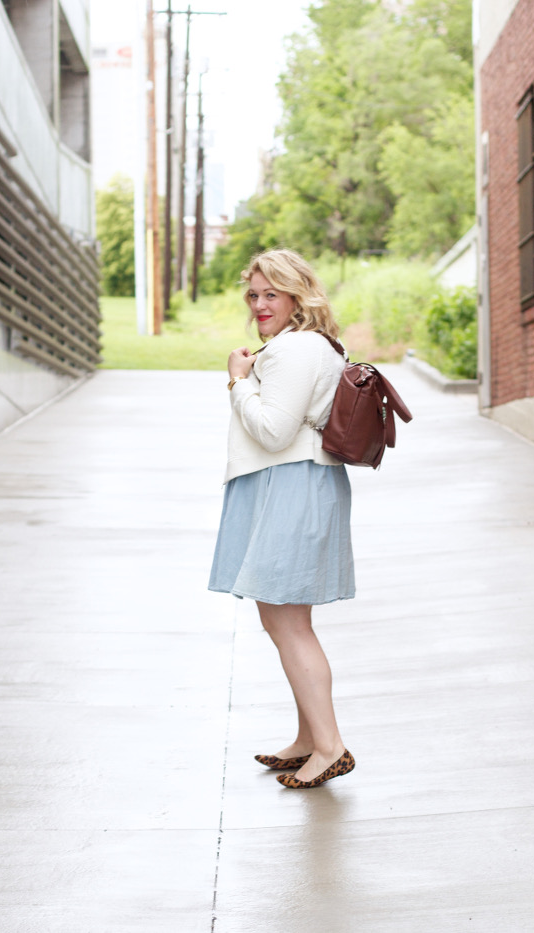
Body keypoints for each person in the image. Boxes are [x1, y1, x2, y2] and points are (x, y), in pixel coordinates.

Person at [208, 248, 355, 789]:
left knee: (288, 625)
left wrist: (238, 381)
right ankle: (309, 738)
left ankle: (330, 747)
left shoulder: (295, 349)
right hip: (293, 485)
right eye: (253, 294)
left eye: (272, 294)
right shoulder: (308, 345)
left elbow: (273, 430)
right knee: (285, 622)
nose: (259, 304)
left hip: (291, 486)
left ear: (298, 295)